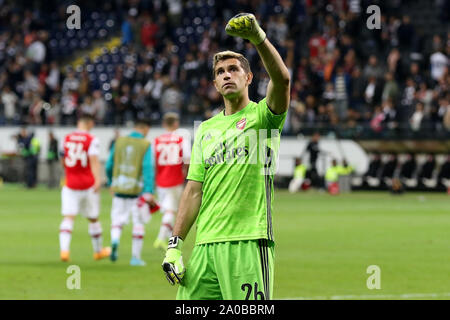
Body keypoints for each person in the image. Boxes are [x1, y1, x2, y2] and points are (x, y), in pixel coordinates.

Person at [162, 13, 290, 300]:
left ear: (248, 77)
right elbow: (194, 191)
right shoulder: (206, 130)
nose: (226, 75)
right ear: (215, 84)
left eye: (233, 69)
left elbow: (282, 80)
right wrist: (174, 244)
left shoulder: (263, 117)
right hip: (205, 246)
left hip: (248, 242)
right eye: (220, 72)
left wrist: (259, 39)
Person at [105, 118, 157, 266]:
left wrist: (110, 182)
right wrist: (149, 190)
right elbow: (147, 168)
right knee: (138, 222)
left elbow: (109, 164)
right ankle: (135, 257)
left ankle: (115, 240)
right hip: (137, 190)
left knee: (117, 220)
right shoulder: (145, 144)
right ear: (146, 128)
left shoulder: (119, 141)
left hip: (119, 188)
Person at [59, 114, 110, 262]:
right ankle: (98, 251)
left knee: (68, 217)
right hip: (87, 184)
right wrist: (98, 179)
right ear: (90, 123)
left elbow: (62, 159)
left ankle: (64, 251)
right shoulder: (92, 139)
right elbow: (94, 160)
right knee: (93, 218)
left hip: (70, 184)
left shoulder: (66, 138)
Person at [153, 112, 191, 250]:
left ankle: (169, 240)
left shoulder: (156, 140)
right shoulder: (181, 139)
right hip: (175, 179)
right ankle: (160, 238)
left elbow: (153, 161)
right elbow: (187, 159)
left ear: (164, 124)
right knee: (171, 210)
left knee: (167, 209)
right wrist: (185, 172)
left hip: (160, 180)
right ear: (176, 124)